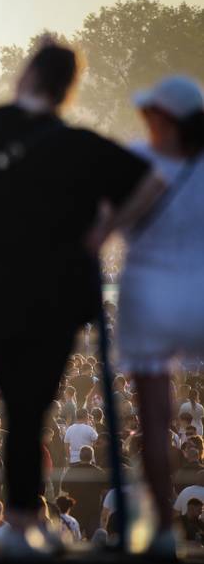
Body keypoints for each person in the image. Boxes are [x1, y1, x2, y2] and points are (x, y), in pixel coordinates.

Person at [0, 41, 164, 555]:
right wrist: (104, 230)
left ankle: (23, 522)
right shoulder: (79, 144)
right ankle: (25, 522)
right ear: (68, 89)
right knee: (30, 408)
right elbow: (148, 183)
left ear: (27, 75)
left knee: (18, 405)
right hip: (56, 293)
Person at [114, 76, 204, 558]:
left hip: (149, 299)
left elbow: (109, 220)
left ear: (165, 119)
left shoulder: (138, 160)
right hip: (199, 296)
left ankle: (164, 529)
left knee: (152, 419)